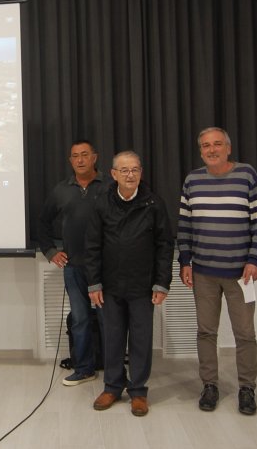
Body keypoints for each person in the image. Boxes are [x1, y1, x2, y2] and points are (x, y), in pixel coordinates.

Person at [177, 127, 257, 415]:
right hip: (204, 273)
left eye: (217, 144)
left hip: (240, 273)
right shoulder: (192, 180)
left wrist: (255, 259)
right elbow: (184, 226)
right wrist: (185, 261)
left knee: (245, 334)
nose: (212, 149)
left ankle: (247, 388)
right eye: (206, 145)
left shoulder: (246, 175)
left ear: (228, 148)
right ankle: (210, 385)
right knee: (206, 332)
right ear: (201, 150)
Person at [86, 151, 173, 417]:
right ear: (113, 174)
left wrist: (161, 283)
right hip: (110, 286)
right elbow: (92, 247)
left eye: (134, 169)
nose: (130, 175)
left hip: (142, 286)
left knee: (140, 340)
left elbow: (164, 246)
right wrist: (94, 284)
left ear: (141, 173)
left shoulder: (154, 204)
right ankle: (112, 386)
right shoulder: (101, 203)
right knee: (112, 338)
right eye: (123, 170)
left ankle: (138, 391)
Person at [38, 140, 105, 386]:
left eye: (85, 155)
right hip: (74, 267)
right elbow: (43, 223)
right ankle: (84, 367)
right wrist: (50, 251)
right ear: (70, 160)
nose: (80, 160)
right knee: (80, 319)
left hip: (106, 267)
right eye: (75, 156)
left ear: (94, 157)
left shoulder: (109, 185)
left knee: (110, 320)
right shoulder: (61, 190)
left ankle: (114, 370)